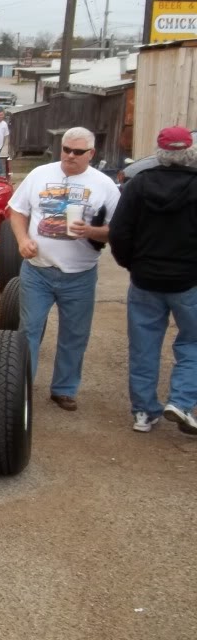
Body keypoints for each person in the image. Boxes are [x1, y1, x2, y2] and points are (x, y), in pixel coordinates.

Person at [8, 126, 121, 412]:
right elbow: (17, 210)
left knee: (74, 334)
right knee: (29, 331)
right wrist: (22, 240)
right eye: (66, 150)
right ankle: (22, 390)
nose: (70, 156)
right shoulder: (39, 175)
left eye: (77, 152)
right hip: (37, 270)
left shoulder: (104, 185)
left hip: (80, 274)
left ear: (91, 154)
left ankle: (64, 389)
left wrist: (91, 231)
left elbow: (118, 230)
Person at [109, 126, 197, 435]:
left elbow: (119, 232)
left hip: (145, 279)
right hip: (189, 281)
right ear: (190, 152)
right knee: (193, 341)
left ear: (159, 152)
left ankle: (144, 413)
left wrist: (131, 263)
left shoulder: (138, 185)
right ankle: (181, 401)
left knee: (144, 346)